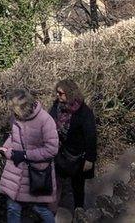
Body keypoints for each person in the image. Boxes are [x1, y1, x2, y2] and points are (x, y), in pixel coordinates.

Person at [0, 88, 59, 223]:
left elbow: (52, 149)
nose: (12, 113)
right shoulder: (15, 117)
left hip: (36, 173)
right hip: (16, 171)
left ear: (22, 107)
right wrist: (5, 148)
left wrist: (25, 155)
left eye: (14, 109)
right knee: (13, 207)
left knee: (39, 208)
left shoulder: (45, 120)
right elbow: (13, 137)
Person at [50, 79, 97, 212]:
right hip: (61, 152)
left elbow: (91, 136)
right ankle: (52, 209)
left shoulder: (83, 112)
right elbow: (49, 121)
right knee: (56, 181)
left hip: (77, 156)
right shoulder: (57, 106)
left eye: (61, 93)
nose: (57, 96)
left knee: (77, 185)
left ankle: (78, 211)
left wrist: (90, 159)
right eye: (57, 93)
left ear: (70, 94)